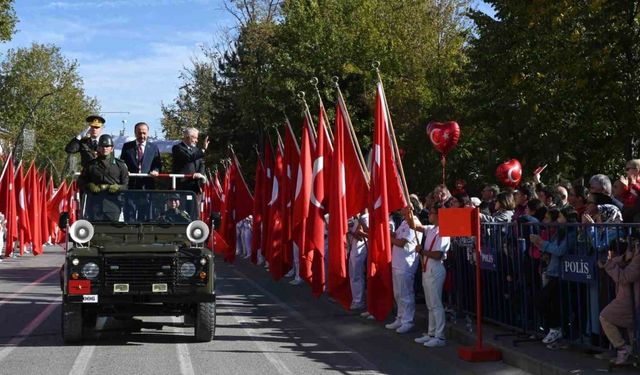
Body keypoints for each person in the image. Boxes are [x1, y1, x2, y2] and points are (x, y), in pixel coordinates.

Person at [529, 206, 579, 345]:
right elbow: (552, 246)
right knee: (548, 302)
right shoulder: (560, 232)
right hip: (554, 271)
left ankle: (556, 328)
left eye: (561, 217)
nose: (558, 219)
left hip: (563, 273)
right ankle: (555, 328)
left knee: (548, 301)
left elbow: (560, 250)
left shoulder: (572, 232)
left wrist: (541, 242)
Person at [407, 202, 451, 348]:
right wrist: (409, 212)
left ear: (439, 215)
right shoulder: (431, 229)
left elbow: (438, 254)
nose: (429, 215)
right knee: (430, 304)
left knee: (436, 304)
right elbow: (415, 226)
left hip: (436, 269)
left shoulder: (444, 231)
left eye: (432, 212)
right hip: (427, 269)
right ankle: (431, 333)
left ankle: (440, 336)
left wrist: (421, 251)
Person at [599, 237, 640, 365]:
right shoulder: (633, 254)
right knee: (631, 329)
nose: (634, 245)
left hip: (632, 299)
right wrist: (624, 258)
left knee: (605, 316)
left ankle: (623, 349)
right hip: (628, 297)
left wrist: (608, 264)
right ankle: (631, 354)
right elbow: (620, 263)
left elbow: (626, 276)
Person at [386, 206, 423, 334]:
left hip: (406, 264)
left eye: (403, 207)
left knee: (405, 294)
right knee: (398, 293)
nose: (400, 209)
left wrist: (388, 238)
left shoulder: (415, 223)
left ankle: (408, 321)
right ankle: (400, 318)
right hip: (397, 262)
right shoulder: (404, 222)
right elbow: (396, 235)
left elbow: (402, 242)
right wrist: (389, 233)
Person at [82, 134, 129, 221]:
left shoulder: (120, 165)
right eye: (102, 146)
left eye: (107, 146)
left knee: (112, 232)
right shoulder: (90, 165)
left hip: (113, 205)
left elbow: (126, 185)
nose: (105, 148)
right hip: (94, 205)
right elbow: (81, 182)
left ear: (112, 148)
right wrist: (89, 185)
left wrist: (118, 187)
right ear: (98, 148)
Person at [119, 122, 162, 189]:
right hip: (131, 184)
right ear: (135, 133)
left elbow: (157, 164)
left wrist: (155, 171)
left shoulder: (154, 147)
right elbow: (122, 162)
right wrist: (125, 170)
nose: (142, 136)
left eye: (144, 133)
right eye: (139, 133)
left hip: (147, 184)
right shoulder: (127, 146)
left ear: (148, 133)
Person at [172, 127, 209, 194]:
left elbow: (201, 164)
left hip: (194, 186)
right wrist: (203, 150)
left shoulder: (196, 150)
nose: (196, 140)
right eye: (195, 138)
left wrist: (200, 174)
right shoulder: (177, 148)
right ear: (187, 137)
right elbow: (188, 157)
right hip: (182, 185)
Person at [348, 210, 369, 309]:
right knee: (352, 274)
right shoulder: (358, 217)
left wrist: (355, 231)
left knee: (357, 274)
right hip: (354, 247)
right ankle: (355, 298)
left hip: (360, 248)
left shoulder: (365, 217)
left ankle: (359, 300)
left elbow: (362, 235)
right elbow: (355, 232)